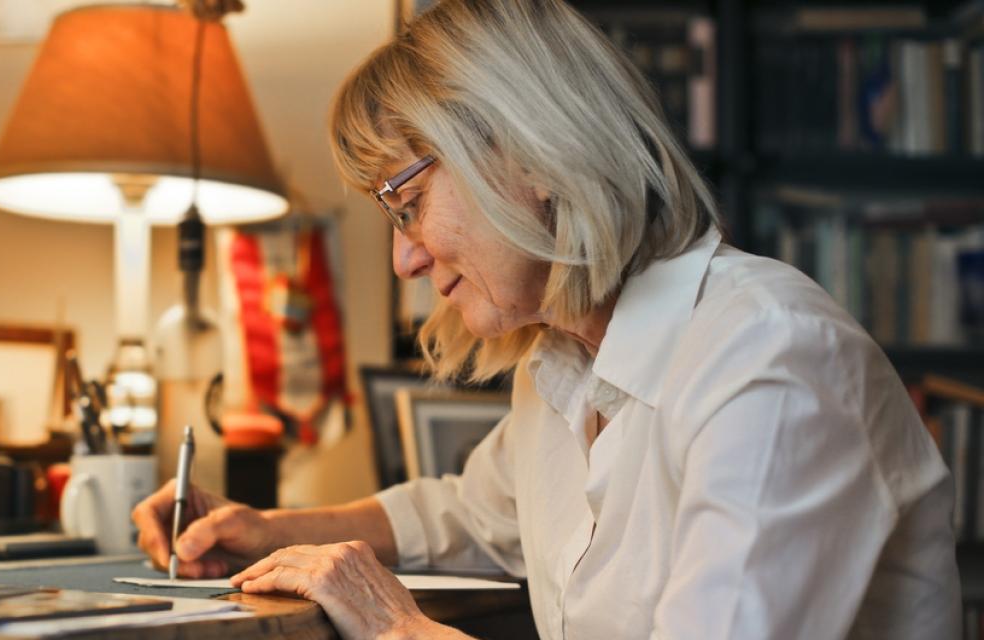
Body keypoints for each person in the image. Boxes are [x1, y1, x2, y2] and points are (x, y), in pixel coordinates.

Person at [133, 1, 960, 637]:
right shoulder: (563, 367)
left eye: (408, 203)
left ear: (532, 153)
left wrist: (394, 625)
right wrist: (263, 529)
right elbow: (465, 512)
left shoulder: (771, 361)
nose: (405, 261)